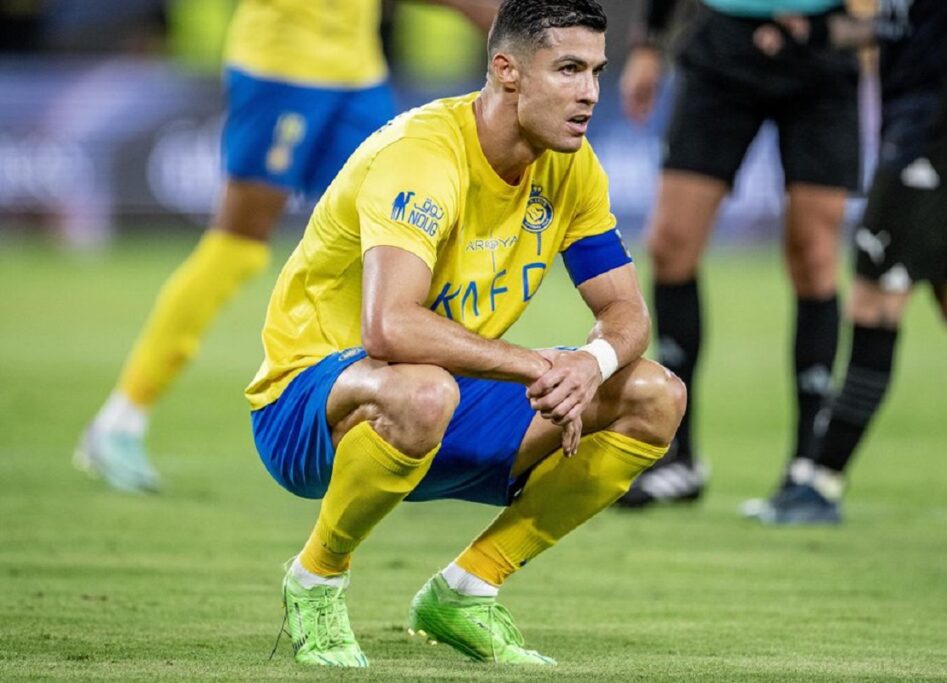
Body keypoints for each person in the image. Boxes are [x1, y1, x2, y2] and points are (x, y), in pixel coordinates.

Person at [245, 0, 686, 667]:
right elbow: (388, 326)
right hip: (309, 402)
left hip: (445, 394)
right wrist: (538, 365)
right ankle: (316, 579)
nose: (590, 93)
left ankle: (467, 589)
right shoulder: (422, 156)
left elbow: (627, 314)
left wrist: (590, 365)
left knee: (655, 394)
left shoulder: (570, 165)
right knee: (421, 392)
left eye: (596, 70)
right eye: (568, 69)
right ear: (507, 71)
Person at [74, 0, 497, 492]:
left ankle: (417, 425)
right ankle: (120, 419)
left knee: (409, 237)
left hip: (358, 73)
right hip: (282, 68)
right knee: (237, 246)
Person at [758, 0, 947, 525]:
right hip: (932, 132)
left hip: (935, 137)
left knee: (874, 302)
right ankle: (816, 485)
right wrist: (816, 30)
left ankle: (819, 484)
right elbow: (894, 27)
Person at [614, 0, 861, 508]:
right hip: (722, 42)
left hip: (820, 45)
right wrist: (648, 45)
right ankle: (679, 454)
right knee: (670, 244)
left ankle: (807, 463)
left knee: (814, 256)